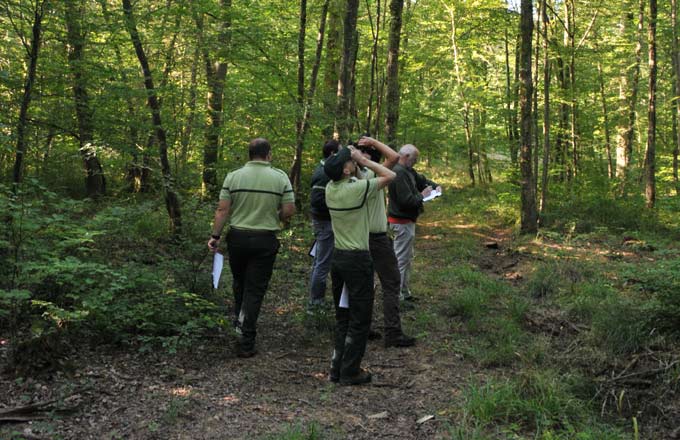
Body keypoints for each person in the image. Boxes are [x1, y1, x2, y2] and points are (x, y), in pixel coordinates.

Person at [208, 138, 295, 358]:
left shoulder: (234, 176)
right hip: (265, 239)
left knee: (240, 283)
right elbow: (289, 210)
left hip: (237, 238)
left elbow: (222, 210)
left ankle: (240, 326)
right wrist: (276, 217)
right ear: (269, 154)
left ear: (249, 154)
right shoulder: (280, 177)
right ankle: (246, 341)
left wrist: (215, 236)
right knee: (255, 289)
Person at [324, 145, 396, 385]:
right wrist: (363, 161)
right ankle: (350, 371)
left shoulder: (330, 189)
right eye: (350, 161)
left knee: (343, 315)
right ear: (346, 170)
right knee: (360, 317)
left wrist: (353, 160)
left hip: (339, 259)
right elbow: (390, 175)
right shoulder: (357, 189)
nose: (354, 162)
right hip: (357, 260)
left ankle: (337, 368)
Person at [356, 136, 416, 348]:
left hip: (359, 238)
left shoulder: (347, 180)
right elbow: (394, 157)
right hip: (376, 238)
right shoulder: (369, 176)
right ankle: (392, 331)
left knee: (365, 285)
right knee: (391, 282)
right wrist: (373, 141)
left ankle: (363, 327)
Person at [387, 144, 442, 302]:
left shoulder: (408, 170)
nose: (416, 162)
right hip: (401, 222)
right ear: (405, 157)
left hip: (407, 221)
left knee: (406, 258)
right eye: (415, 159)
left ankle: (404, 292)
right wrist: (422, 195)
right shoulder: (398, 173)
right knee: (401, 260)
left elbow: (421, 180)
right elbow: (406, 201)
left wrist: (434, 186)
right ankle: (397, 296)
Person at [307, 140, 340, 311]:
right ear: (333, 153)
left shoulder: (324, 169)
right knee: (322, 262)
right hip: (325, 223)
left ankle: (316, 300)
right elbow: (318, 201)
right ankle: (315, 303)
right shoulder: (325, 172)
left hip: (324, 222)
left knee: (321, 260)